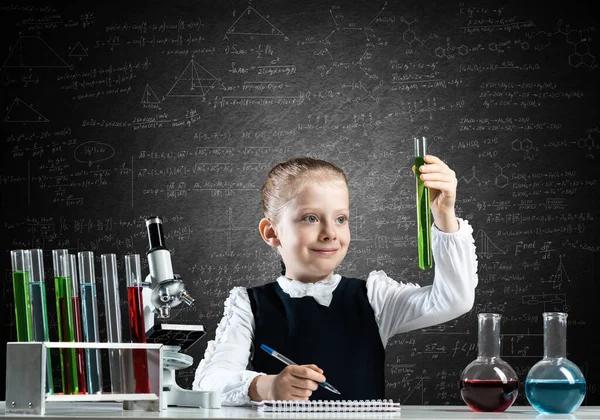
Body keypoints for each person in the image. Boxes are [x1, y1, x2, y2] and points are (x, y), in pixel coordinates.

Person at [192, 155, 478, 404]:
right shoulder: (249, 304)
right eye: (310, 218)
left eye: (341, 219)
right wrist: (267, 386)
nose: (330, 232)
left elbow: (454, 299)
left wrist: (443, 213)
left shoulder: (375, 298)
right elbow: (209, 381)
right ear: (272, 232)